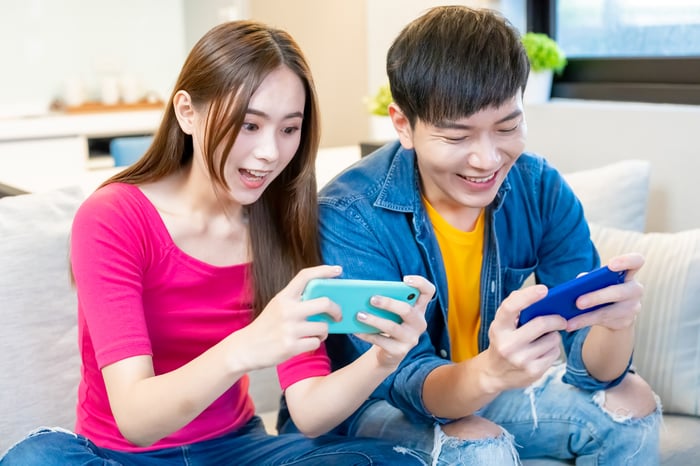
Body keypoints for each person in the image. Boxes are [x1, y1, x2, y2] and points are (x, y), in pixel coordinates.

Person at [0, 20, 433, 466]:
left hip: (237, 450)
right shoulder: (114, 217)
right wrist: (246, 345)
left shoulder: (279, 221)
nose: (269, 152)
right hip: (121, 457)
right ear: (187, 112)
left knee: (393, 460)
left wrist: (383, 358)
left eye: (289, 129)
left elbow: (308, 412)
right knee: (37, 459)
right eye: (249, 125)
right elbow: (136, 419)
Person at [278, 5, 661, 465]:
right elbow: (410, 383)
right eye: (457, 137)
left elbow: (595, 373)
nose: (487, 159)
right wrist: (493, 371)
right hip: (367, 406)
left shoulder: (538, 189)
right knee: (477, 446)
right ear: (403, 125)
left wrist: (614, 324)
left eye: (507, 127)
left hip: (476, 381)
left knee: (632, 408)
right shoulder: (349, 215)